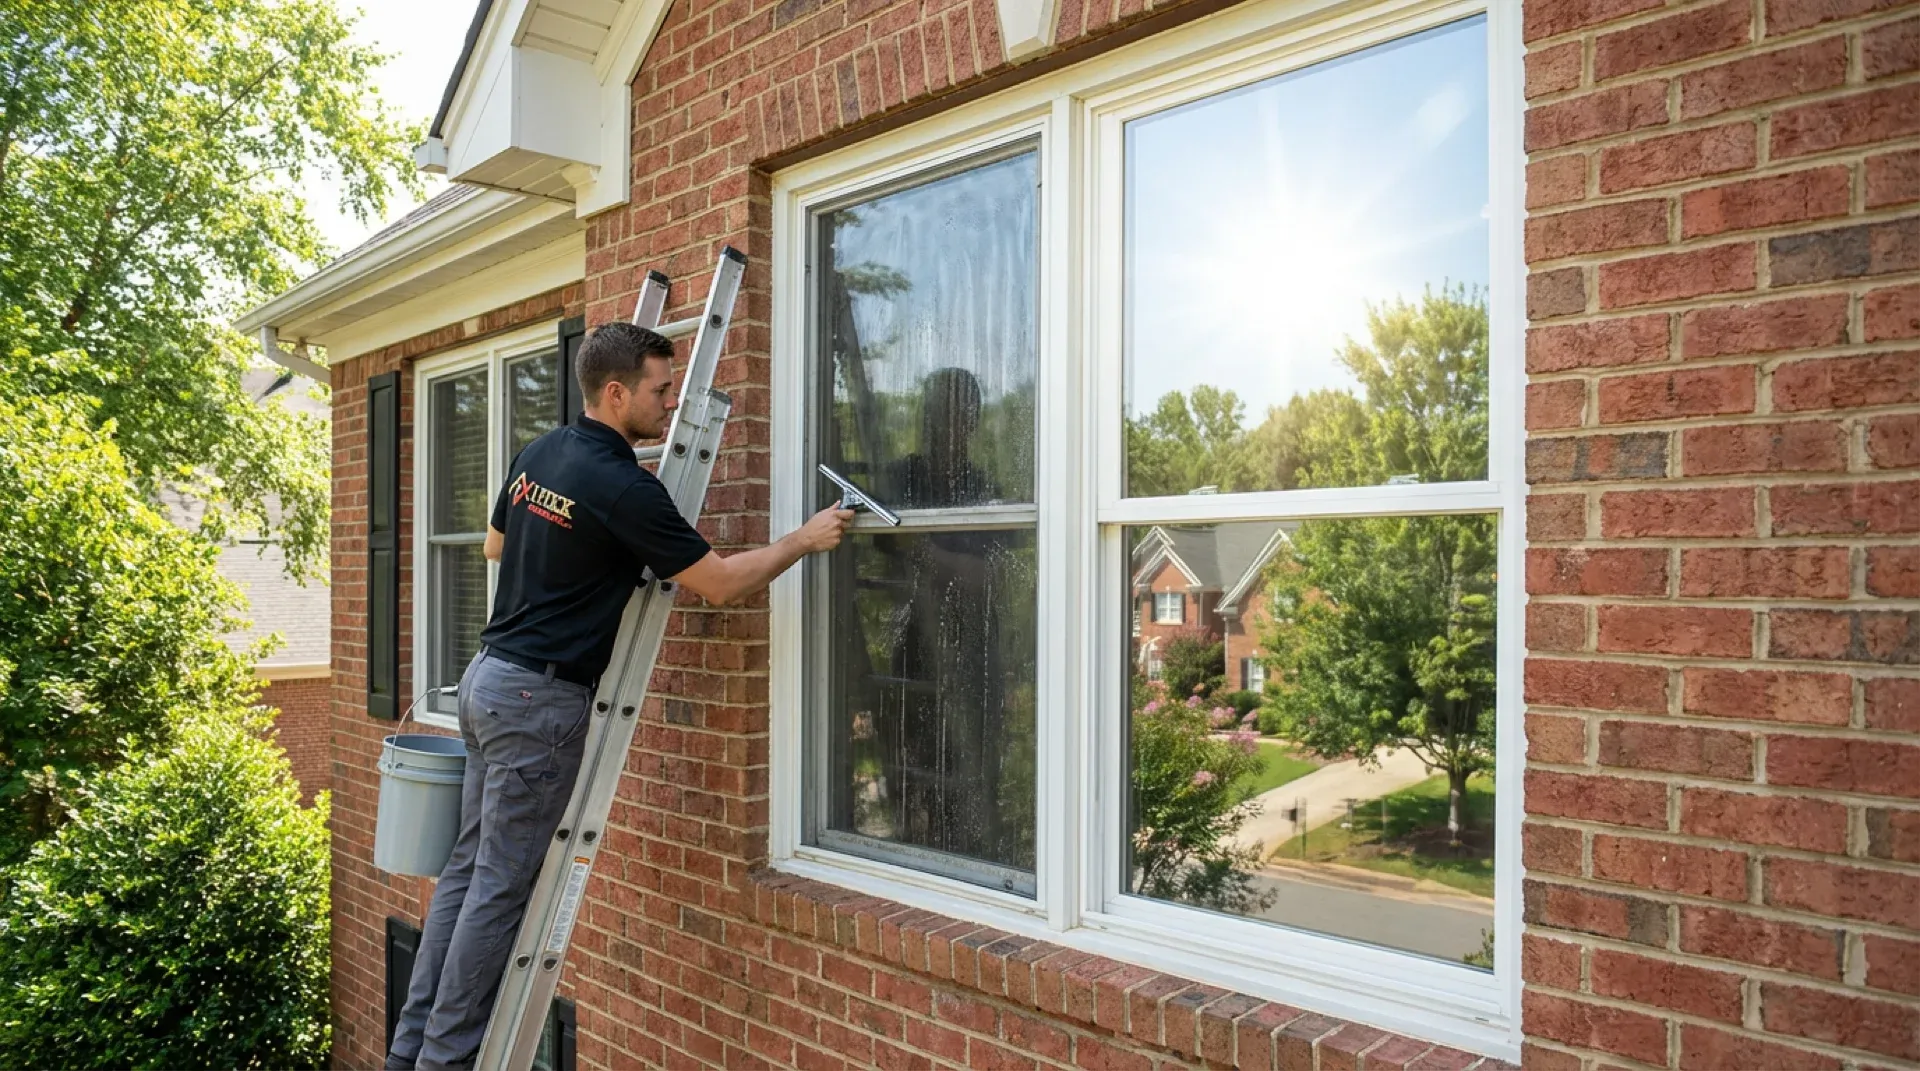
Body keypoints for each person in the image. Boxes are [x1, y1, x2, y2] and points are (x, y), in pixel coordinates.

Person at [385, 321, 854, 1071]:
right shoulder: (623, 487)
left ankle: (411, 1053)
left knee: (469, 871)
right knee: (500, 891)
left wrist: (578, 555)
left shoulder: (539, 452)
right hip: (538, 703)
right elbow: (723, 584)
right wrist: (804, 538)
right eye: (660, 389)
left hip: (485, 683)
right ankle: (446, 1062)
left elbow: (495, 547)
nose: (670, 404)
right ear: (615, 392)